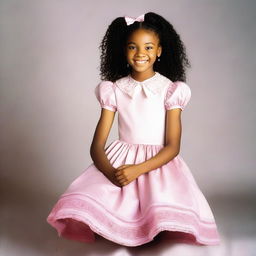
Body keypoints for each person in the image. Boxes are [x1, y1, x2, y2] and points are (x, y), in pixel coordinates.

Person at [46, 12, 221, 247]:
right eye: (133, 47)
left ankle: (151, 228)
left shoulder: (170, 90)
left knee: (159, 206)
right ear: (124, 51)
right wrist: (112, 174)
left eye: (148, 47)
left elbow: (173, 147)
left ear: (159, 51)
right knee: (97, 198)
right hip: (120, 162)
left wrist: (138, 169)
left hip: (157, 164)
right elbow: (97, 146)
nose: (140, 54)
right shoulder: (114, 89)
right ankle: (118, 227)